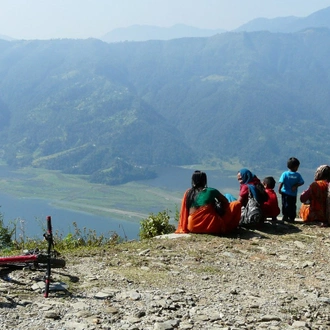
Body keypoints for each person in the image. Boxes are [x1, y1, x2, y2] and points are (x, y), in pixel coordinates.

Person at [175, 170, 241, 235]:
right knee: (236, 204)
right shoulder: (211, 191)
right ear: (204, 180)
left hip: (192, 227)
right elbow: (225, 202)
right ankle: (232, 228)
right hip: (211, 226)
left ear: (193, 180)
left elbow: (185, 211)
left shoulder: (188, 193)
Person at [278, 157, 304, 222]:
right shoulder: (298, 175)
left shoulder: (285, 174)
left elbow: (281, 182)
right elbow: (302, 182)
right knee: (292, 205)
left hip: (285, 193)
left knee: (285, 204)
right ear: (296, 167)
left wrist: (279, 189)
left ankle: (285, 216)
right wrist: (296, 185)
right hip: (293, 194)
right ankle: (292, 217)